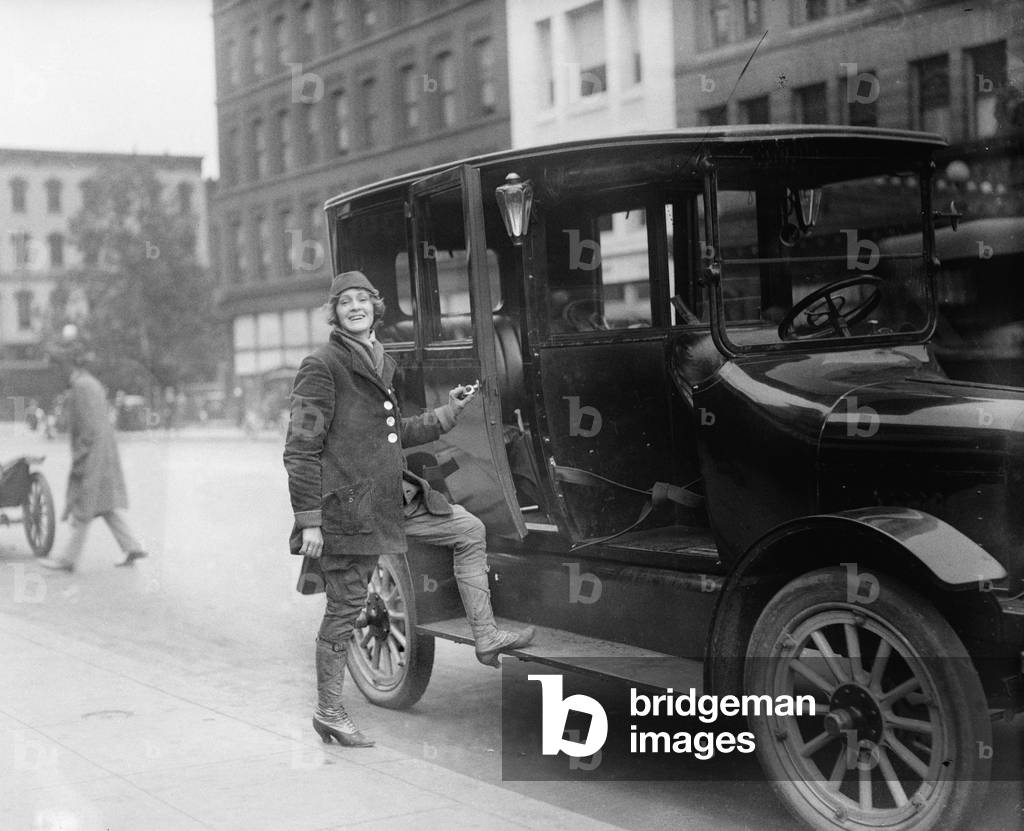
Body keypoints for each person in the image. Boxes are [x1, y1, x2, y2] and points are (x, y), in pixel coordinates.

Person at [284, 271, 534, 748]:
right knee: (345, 611)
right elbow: (300, 448)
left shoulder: (381, 360)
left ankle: (485, 636)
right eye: (344, 302)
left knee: (468, 530)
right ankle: (329, 711)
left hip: (396, 497)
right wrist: (309, 520)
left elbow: (395, 434)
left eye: (362, 299)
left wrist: (448, 412)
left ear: (376, 308)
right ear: (334, 314)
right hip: (352, 511)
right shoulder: (322, 365)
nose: (355, 307)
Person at [40, 348, 148, 572]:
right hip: (103, 452)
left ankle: (67, 559)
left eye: (56, 368)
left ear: (66, 366)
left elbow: (88, 427)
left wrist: (80, 455)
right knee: (105, 504)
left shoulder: (81, 387)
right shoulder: (91, 383)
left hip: (92, 455)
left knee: (84, 506)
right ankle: (132, 546)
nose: (55, 374)